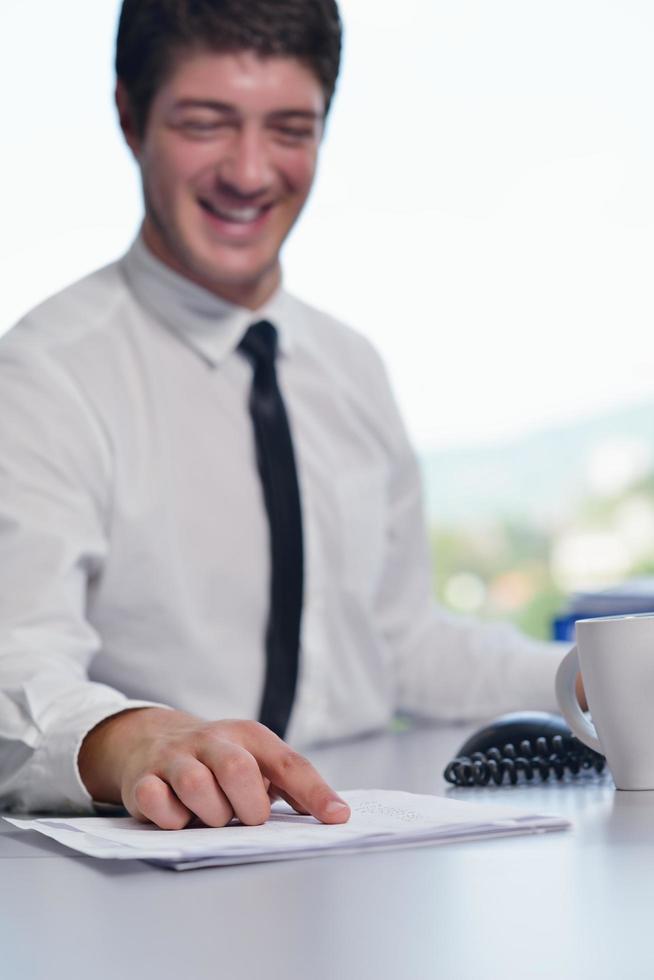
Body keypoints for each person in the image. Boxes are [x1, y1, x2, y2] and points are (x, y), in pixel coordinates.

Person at [0, 0, 569, 830]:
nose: (250, 171)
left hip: (366, 841)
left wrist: (588, 678)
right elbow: (16, 656)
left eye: (291, 130)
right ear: (129, 115)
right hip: (165, 865)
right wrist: (129, 741)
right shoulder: (44, 377)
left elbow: (399, 642)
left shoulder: (351, 367)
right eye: (206, 123)